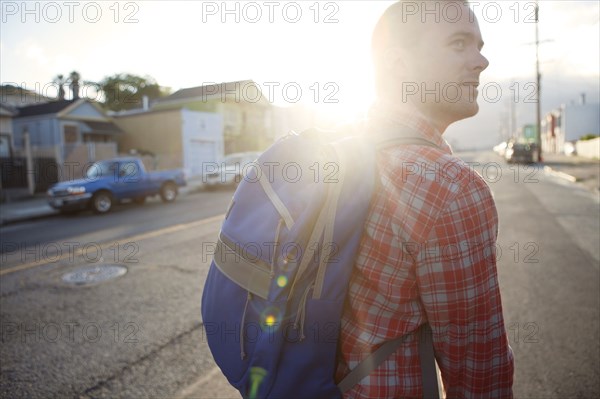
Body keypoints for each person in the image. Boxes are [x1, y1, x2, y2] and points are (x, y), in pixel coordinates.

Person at [336, 1, 515, 398]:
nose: (481, 61)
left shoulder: (346, 156)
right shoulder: (450, 188)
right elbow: (478, 374)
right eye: (458, 43)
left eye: (479, 45)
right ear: (399, 63)